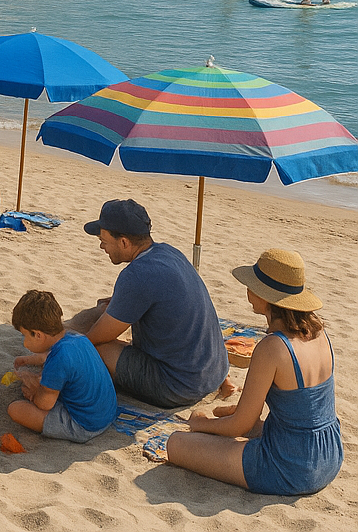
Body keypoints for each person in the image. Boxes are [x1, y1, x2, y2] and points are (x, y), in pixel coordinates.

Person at [166, 250, 342, 495]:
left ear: (265, 296)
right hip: (329, 455)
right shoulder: (320, 333)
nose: (247, 290)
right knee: (226, 420)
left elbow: (240, 425)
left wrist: (201, 424)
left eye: (252, 285)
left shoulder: (272, 348)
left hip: (290, 466)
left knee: (176, 444)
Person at [72, 199, 231, 408]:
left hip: (179, 386)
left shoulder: (137, 275)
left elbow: (96, 338)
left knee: (94, 350)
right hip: (213, 371)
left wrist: (72, 344)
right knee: (108, 309)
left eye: (104, 240)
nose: (101, 246)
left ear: (124, 242)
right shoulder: (168, 253)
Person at [8, 290, 118, 443]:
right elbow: (49, 356)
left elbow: (44, 404)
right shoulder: (78, 338)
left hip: (85, 425)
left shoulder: (59, 359)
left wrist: (34, 392)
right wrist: (30, 360)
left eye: (24, 335)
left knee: (15, 409)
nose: (24, 341)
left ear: (38, 335)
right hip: (107, 412)